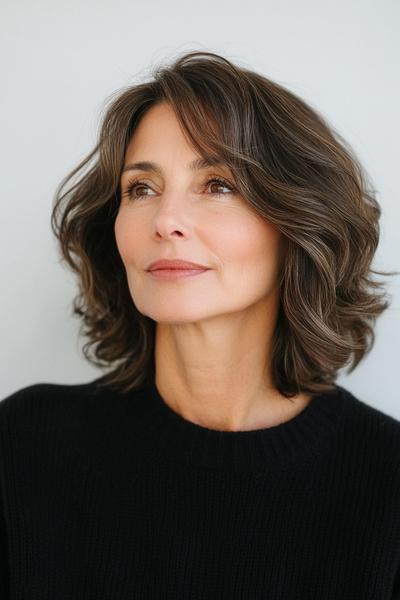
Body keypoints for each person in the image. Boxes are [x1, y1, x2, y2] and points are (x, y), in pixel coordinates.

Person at [1, 50, 399, 598]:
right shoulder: (24, 444)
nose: (165, 221)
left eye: (218, 184)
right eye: (141, 188)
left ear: (300, 222)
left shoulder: (387, 482)